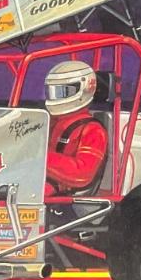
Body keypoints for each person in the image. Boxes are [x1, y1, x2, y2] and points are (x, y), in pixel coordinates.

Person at [43, 61, 108, 196]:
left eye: (62, 92)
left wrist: (41, 158)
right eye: (52, 92)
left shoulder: (93, 130)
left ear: (84, 88)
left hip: (65, 194)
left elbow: (82, 174)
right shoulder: (50, 122)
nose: (55, 97)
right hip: (38, 180)